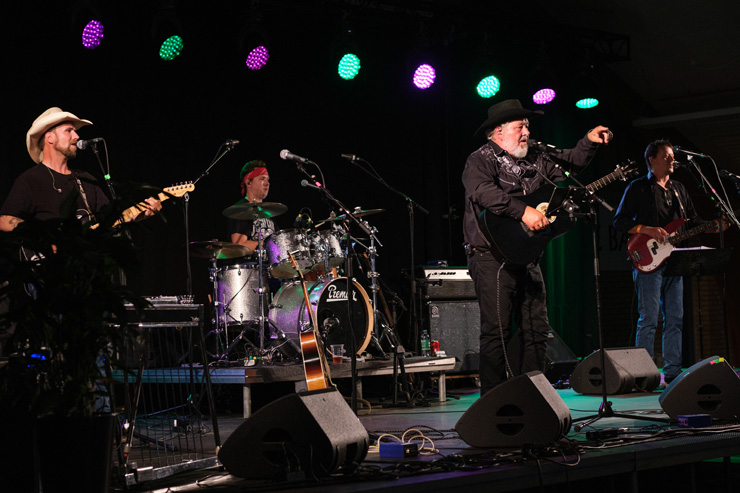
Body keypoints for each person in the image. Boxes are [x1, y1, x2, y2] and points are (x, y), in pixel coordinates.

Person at [462, 99, 613, 396]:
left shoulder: (536, 156)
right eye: (520, 126)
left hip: (526, 254)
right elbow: (483, 192)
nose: (526, 132)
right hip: (490, 255)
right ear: (498, 131)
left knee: (537, 329)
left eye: (528, 126)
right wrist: (524, 212)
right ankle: (492, 400)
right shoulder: (480, 159)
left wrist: (588, 141)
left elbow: (570, 161)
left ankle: (532, 395)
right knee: (497, 331)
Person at [613, 139, 727, 388]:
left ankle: (673, 372)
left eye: (672, 156)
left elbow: (692, 220)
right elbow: (619, 221)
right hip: (647, 259)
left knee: (675, 318)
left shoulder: (679, 189)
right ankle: (643, 375)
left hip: (675, 260)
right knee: (649, 319)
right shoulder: (638, 187)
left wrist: (712, 226)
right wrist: (646, 229)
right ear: (651, 159)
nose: (672, 159)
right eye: (666, 156)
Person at [0, 107, 161, 232]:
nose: (76, 136)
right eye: (68, 131)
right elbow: (4, 220)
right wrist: (44, 238)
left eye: (75, 131)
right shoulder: (30, 180)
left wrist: (141, 213)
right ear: (50, 138)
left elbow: (109, 221)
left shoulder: (86, 180)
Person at [228, 160, 276, 253]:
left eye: (268, 179)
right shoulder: (240, 210)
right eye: (262, 179)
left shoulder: (267, 212)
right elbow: (239, 246)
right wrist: (270, 246)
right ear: (248, 182)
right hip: (251, 262)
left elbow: (279, 241)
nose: (267, 183)